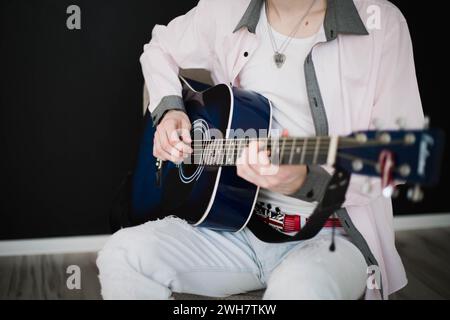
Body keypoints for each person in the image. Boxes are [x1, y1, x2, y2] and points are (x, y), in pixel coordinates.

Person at [97, 0, 424, 300]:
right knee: (122, 253)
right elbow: (158, 48)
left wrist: (304, 181)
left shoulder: (381, 22)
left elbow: (394, 160)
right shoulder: (225, 9)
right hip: (234, 225)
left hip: (331, 237)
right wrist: (170, 110)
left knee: (300, 290)